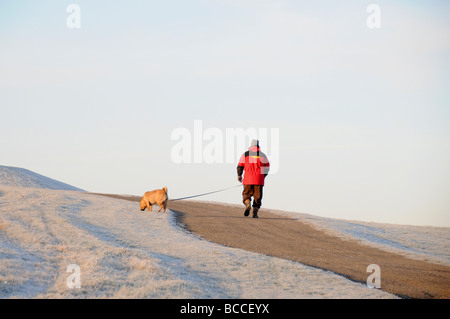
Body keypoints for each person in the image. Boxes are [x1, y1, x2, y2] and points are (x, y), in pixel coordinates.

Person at [236, 139, 270, 218]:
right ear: (258, 145)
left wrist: (239, 175)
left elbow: (240, 166)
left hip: (248, 179)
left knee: (246, 194)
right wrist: (262, 177)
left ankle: (247, 203)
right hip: (259, 180)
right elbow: (266, 168)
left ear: (251, 146)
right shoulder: (262, 155)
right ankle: (255, 213)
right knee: (257, 197)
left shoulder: (245, 154)